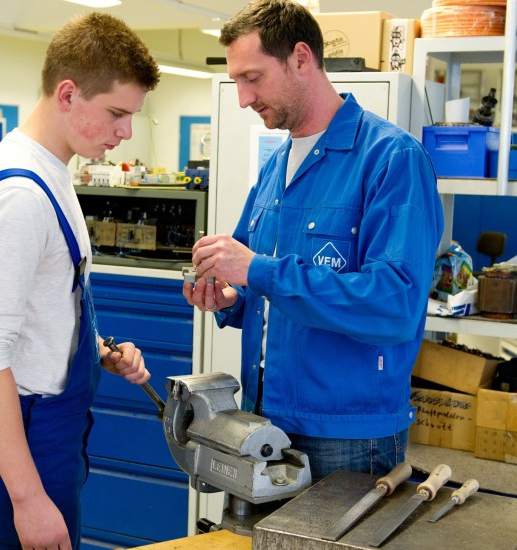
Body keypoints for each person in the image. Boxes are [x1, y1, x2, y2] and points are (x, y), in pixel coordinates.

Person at [183, 0, 443, 483]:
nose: (242, 98)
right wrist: (230, 297)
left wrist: (257, 270)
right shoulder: (275, 166)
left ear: (301, 58)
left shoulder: (391, 159)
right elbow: (261, 288)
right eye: (237, 81)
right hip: (263, 419)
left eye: (253, 78)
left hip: (346, 435)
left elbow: (394, 305)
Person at [0, 13, 159, 550]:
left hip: (48, 429)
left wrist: (96, 349)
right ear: (68, 93)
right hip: (19, 444)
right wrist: (28, 496)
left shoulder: (54, 172)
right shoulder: (18, 195)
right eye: (117, 112)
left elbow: (39, 306)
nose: (125, 132)